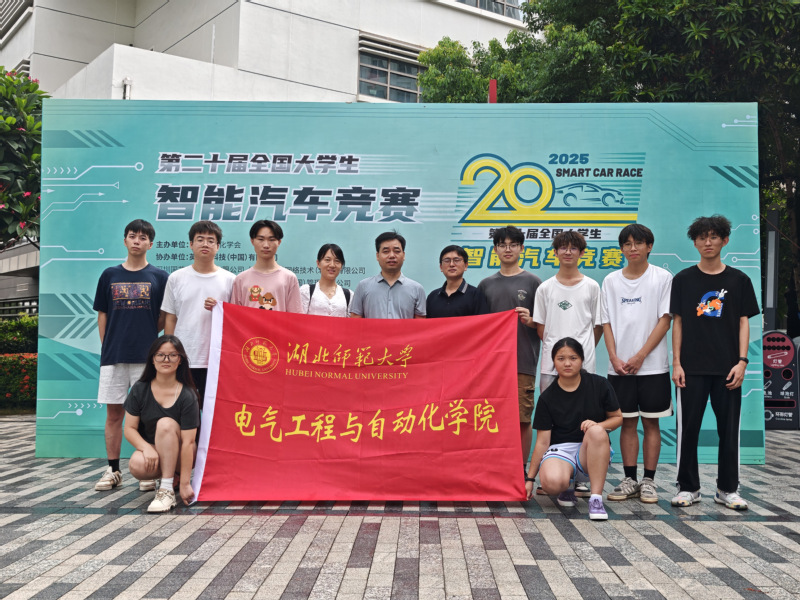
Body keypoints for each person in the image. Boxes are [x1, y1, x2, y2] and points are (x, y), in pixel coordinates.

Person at [670, 214, 759, 510]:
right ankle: (688, 488)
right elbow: (678, 323)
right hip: (691, 369)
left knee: (729, 432)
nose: (707, 242)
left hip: (728, 369)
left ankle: (727, 489)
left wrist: (742, 361)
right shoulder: (683, 280)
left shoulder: (739, 280)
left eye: (713, 237)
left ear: (725, 240)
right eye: (702, 237)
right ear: (694, 243)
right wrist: (677, 363)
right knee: (688, 431)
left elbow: (744, 322)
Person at [93, 219, 169, 493]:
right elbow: (103, 315)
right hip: (113, 357)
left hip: (146, 358)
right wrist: (108, 346)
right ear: (125, 240)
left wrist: (147, 334)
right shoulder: (109, 275)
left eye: (143, 237)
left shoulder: (160, 277)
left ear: (151, 244)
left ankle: (147, 470)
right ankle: (113, 470)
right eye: (133, 236)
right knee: (114, 414)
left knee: (148, 415)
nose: (137, 240)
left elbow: (163, 316)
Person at [602, 224, 672, 504]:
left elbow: (665, 320)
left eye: (638, 243)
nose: (633, 248)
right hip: (619, 368)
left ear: (649, 246)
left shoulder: (662, 278)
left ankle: (649, 481)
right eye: (627, 244)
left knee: (651, 423)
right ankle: (629, 479)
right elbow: (606, 322)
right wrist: (613, 357)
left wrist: (641, 355)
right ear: (621, 248)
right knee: (627, 423)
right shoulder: (610, 281)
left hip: (653, 366)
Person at [524, 337, 622, 521]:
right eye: (561, 358)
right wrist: (530, 479)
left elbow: (617, 418)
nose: (567, 363)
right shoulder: (547, 397)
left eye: (573, 358)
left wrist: (598, 425)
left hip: (591, 449)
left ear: (582, 360)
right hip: (561, 451)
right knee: (552, 483)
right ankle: (567, 487)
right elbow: (543, 442)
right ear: (553, 362)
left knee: (596, 432)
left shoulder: (599, 384)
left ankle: (596, 499)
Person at [478, 226, 541, 472]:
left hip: (523, 362)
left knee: (522, 419)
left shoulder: (534, 282)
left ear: (521, 248)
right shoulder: (485, 285)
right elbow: (478, 327)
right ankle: (493, 466)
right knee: (491, 418)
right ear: (495, 250)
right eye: (502, 245)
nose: (508, 249)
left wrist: (531, 320)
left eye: (513, 244)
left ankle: (520, 470)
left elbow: (544, 324)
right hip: (491, 366)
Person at [124, 335, 200, 513]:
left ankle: (166, 490)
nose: (166, 360)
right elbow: (129, 428)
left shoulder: (188, 394)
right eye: (160, 355)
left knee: (165, 424)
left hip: (183, 453)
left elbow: (188, 442)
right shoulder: (140, 389)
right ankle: (168, 478)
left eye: (172, 355)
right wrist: (146, 448)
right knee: (137, 463)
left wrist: (185, 483)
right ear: (152, 359)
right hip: (156, 449)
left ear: (180, 360)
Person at [162, 221, 235, 408]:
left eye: (211, 241)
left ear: (218, 246)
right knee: (185, 411)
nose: (205, 244)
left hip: (217, 359)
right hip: (184, 357)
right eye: (200, 239)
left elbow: (235, 320)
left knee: (215, 411)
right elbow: (171, 317)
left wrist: (220, 308)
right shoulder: (176, 278)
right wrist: (170, 351)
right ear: (191, 244)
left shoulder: (230, 280)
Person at [526, 230, 602, 393]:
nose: (568, 252)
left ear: (582, 253)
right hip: (551, 365)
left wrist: (581, 351)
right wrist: (559, 352)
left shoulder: (592, 287)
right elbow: (541, 329)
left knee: (585, 407)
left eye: (573, 248)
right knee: (551, 407)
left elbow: (598, 327)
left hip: (584, 364)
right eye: (563, 248)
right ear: (555, 252)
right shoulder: (544, 288)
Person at [229, 219, 302, 312]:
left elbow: (295, 315)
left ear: (279, 242)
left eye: (271, 240)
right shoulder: (241, 279)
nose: (266, 245)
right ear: (252, 241)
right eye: (261, 239)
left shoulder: (289, 278)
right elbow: (234, 315)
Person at [350, 231, 426, 319]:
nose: (392, 256)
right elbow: (355, 321)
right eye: (386, 251)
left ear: (403, 255)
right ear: (377, 256)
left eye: (397, 251)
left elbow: (420, 324)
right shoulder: (363, 286)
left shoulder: (417, 289)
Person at [426, 245, 489, 318]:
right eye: (447, 261)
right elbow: (428, 323)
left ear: (466, 265)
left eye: (457, 260)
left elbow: (483, 322)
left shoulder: (475, 295)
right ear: (441, 267)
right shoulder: (433, 296)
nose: (451, 264)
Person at [299, 243, 352, 317]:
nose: (332, 265)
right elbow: (298, 320)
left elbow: (351, 323)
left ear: (341, 266)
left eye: (337, 261)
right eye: (327, 260)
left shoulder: (349, 295)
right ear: (318, 263)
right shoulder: (306, 291)